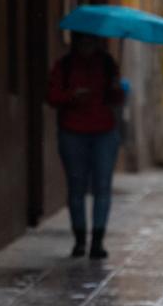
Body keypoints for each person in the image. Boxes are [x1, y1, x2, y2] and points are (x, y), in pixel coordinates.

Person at [45, 32, 125, 259]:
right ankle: (80, 240)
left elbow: (116, 100)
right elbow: (51, 96)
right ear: (77, 42)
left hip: (104, 133)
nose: (88, 45)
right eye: (84, 41)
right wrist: (72, 96)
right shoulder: (65, 65)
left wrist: (117, 87)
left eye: (92, 41)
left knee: (102, 186)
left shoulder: (108, 64)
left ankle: (97, 241)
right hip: (73, 133)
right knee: (76, 187)